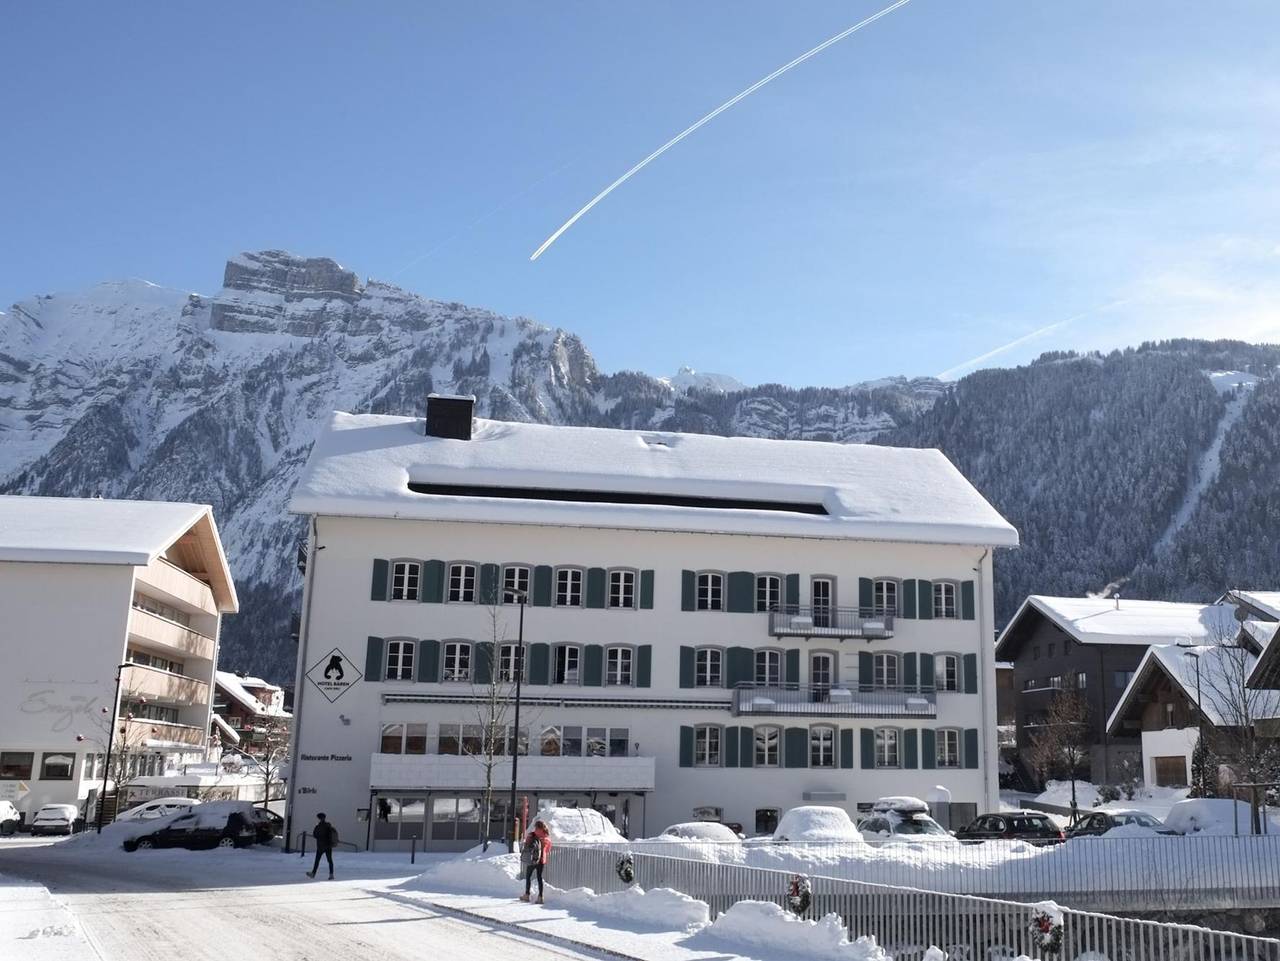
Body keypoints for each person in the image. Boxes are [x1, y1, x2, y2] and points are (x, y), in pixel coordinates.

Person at [518, 819, 551, 903]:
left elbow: (527, 844)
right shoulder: (547, 837)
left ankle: (527, 895)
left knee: (528, 876)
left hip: (533, 859)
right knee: (539, 878)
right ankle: (540, 897)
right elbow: (548, 850)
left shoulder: (533, 834)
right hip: (542, 860)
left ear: (537, 826)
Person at [306, 812, 337, 880]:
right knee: (330, 860)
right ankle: (331, 874)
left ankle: (313, 874)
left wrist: (317, 827)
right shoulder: (328, 825)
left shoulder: (319, 826)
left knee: (317, 860)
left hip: (321, 846)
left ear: (319, 818)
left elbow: (315, 834)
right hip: (328, 846)